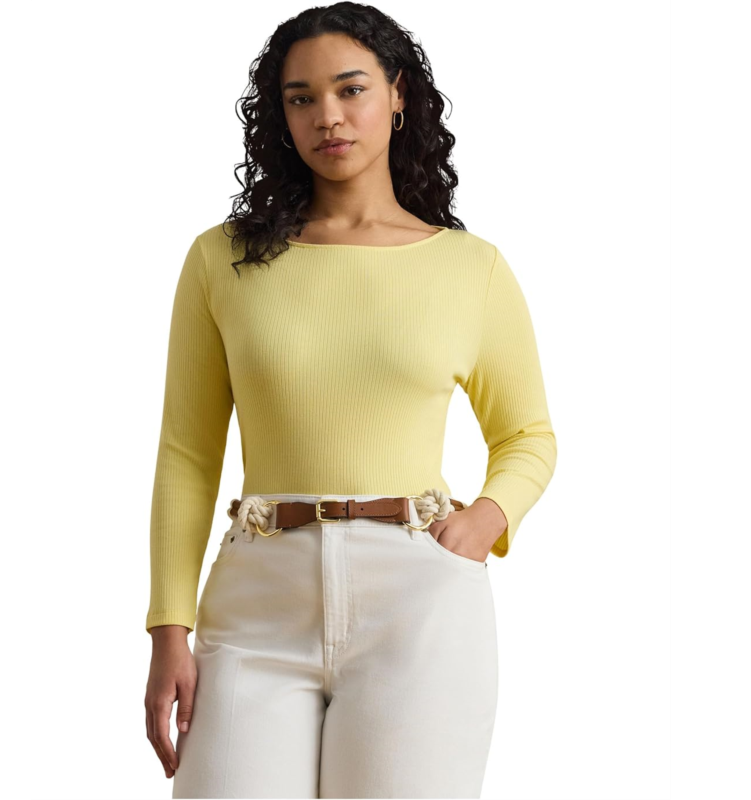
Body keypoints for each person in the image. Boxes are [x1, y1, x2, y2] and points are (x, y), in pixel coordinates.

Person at [144, 3, 557, 797]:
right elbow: (186, 454)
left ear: (398, 94)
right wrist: (169, 628)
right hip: (257, 598)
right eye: (300, 98)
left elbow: (529, 436)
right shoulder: (221, 260)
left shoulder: (470, 268)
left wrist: (481, 523)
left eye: (350, 89)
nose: (327, 116)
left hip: (420, 599)